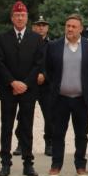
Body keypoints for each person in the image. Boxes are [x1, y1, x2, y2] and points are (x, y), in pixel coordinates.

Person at [0, 1, 45, 176]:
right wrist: (12, 83)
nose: (20, 18)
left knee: (26, 127)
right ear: (12, 18)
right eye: (17, 15)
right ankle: (5, 163)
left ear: (27, 18)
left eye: (23, 15)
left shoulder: (36, 39)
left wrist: (25, 84)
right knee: (6, 127)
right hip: (9, 90)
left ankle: (28, 163)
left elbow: (39, 63)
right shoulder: (2, 38)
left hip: (28, 90)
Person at [46, 14, 88, 176]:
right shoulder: (54, 46)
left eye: (74, 26)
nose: (70, 29)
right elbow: (48, 70)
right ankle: (56, 165)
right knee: (58, 134)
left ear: (81, 29)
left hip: (82, 99)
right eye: (68, 26)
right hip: (60, 99)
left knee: (81, 135)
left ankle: (80, 166)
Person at [33, 15, 53, 157]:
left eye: (43, 25)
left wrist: (44, 75)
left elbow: (54, 64)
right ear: (33, 27)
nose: (41, 27)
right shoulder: (28, 42)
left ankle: (49, 143)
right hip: (30, 83)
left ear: (47, 28)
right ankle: (22, 144)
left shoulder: (53, 44)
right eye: (38, 25)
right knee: (24, 115)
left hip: (46, 85)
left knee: (50, 115)